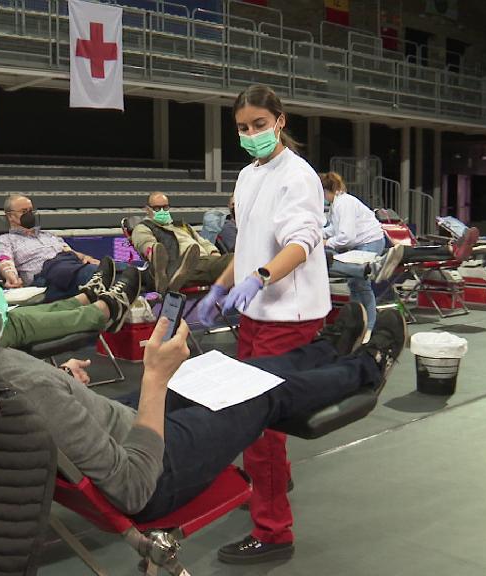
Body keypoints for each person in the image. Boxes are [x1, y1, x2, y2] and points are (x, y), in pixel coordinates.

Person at [0, 232, 405, 554]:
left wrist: (64, 388)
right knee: (256, 393)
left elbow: (39, 410)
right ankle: (366, 366)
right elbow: (134, 487)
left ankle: (322, 352)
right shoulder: (16, 384)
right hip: (154, 470)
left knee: (225, 371)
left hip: (112, 425)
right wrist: (154, 379)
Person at [190, 85, 331, 563]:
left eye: (258, 125)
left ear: (280, 120)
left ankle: (274, 533)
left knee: (258, 427)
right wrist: (222, 287)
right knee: (252, 418)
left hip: (286, 313)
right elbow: (248, 244)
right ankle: (273, 479)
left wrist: (261, 278)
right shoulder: (249, 175)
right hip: (254, 312)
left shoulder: (299, 176)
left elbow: (302, 241)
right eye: (242, 129)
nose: (250, 135)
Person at [321, 172, 404, 332]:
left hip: (370, 241)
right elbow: (334, 228)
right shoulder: (338, 204)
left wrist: (326, 242)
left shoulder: (343, 204)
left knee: (361, 283)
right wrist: (319, 234)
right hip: (364, 242)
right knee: (355, 283)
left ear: (326, 190)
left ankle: (368, 329)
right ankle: (358, 324)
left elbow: (347, 237)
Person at [0, 194, 111, 302]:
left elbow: (69, 252)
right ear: (10, 216)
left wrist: (85, 257)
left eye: (31, 210)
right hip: (45, 277)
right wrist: (12, 278)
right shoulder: (3, 240)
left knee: (111, 268)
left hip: (69, 267)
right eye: (24, 211)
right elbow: (5, 262)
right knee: (97, 274)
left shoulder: (49, 235)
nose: (29, 214)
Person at [130, 192, 234, 293]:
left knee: (235, 260)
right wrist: (153, 253)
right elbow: (146, 244)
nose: (162, 211)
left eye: (165, 207)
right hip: (179, 263)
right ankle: (174, 273)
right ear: (147, 209)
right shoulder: (143, 227)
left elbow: (203, 241)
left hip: (204, 261)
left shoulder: (181, 225)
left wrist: (213, 252)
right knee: (237, 260)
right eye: (157, 208)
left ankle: (178, 275)